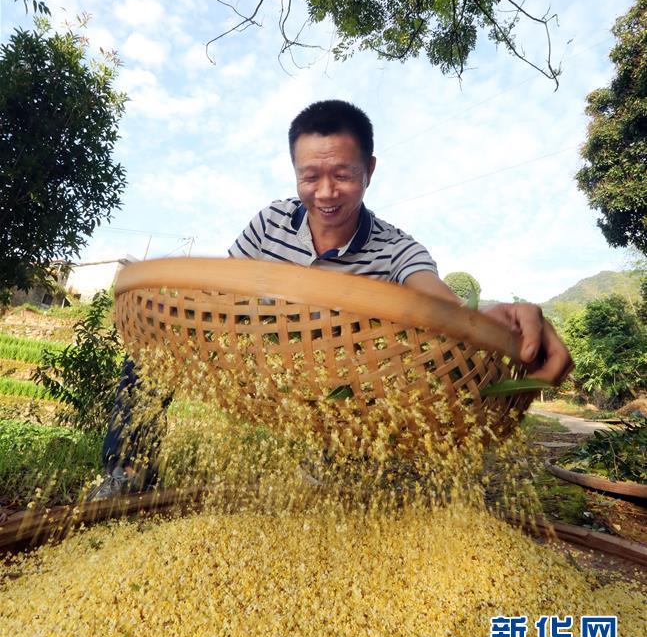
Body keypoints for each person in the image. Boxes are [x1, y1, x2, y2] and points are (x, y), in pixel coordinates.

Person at [88, 100, 572, 499]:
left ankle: (332, 479)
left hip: (337, 394)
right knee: (148, 357)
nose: (325, 193)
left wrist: (492, 317)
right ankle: (125, 474)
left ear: (370, 171)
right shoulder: (271, 222)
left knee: (344, 462)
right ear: (295, 172)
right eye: (309, 177)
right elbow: (221, 294)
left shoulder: (396, 249)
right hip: (261, 362)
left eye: (342, 175)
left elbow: (441, 308)